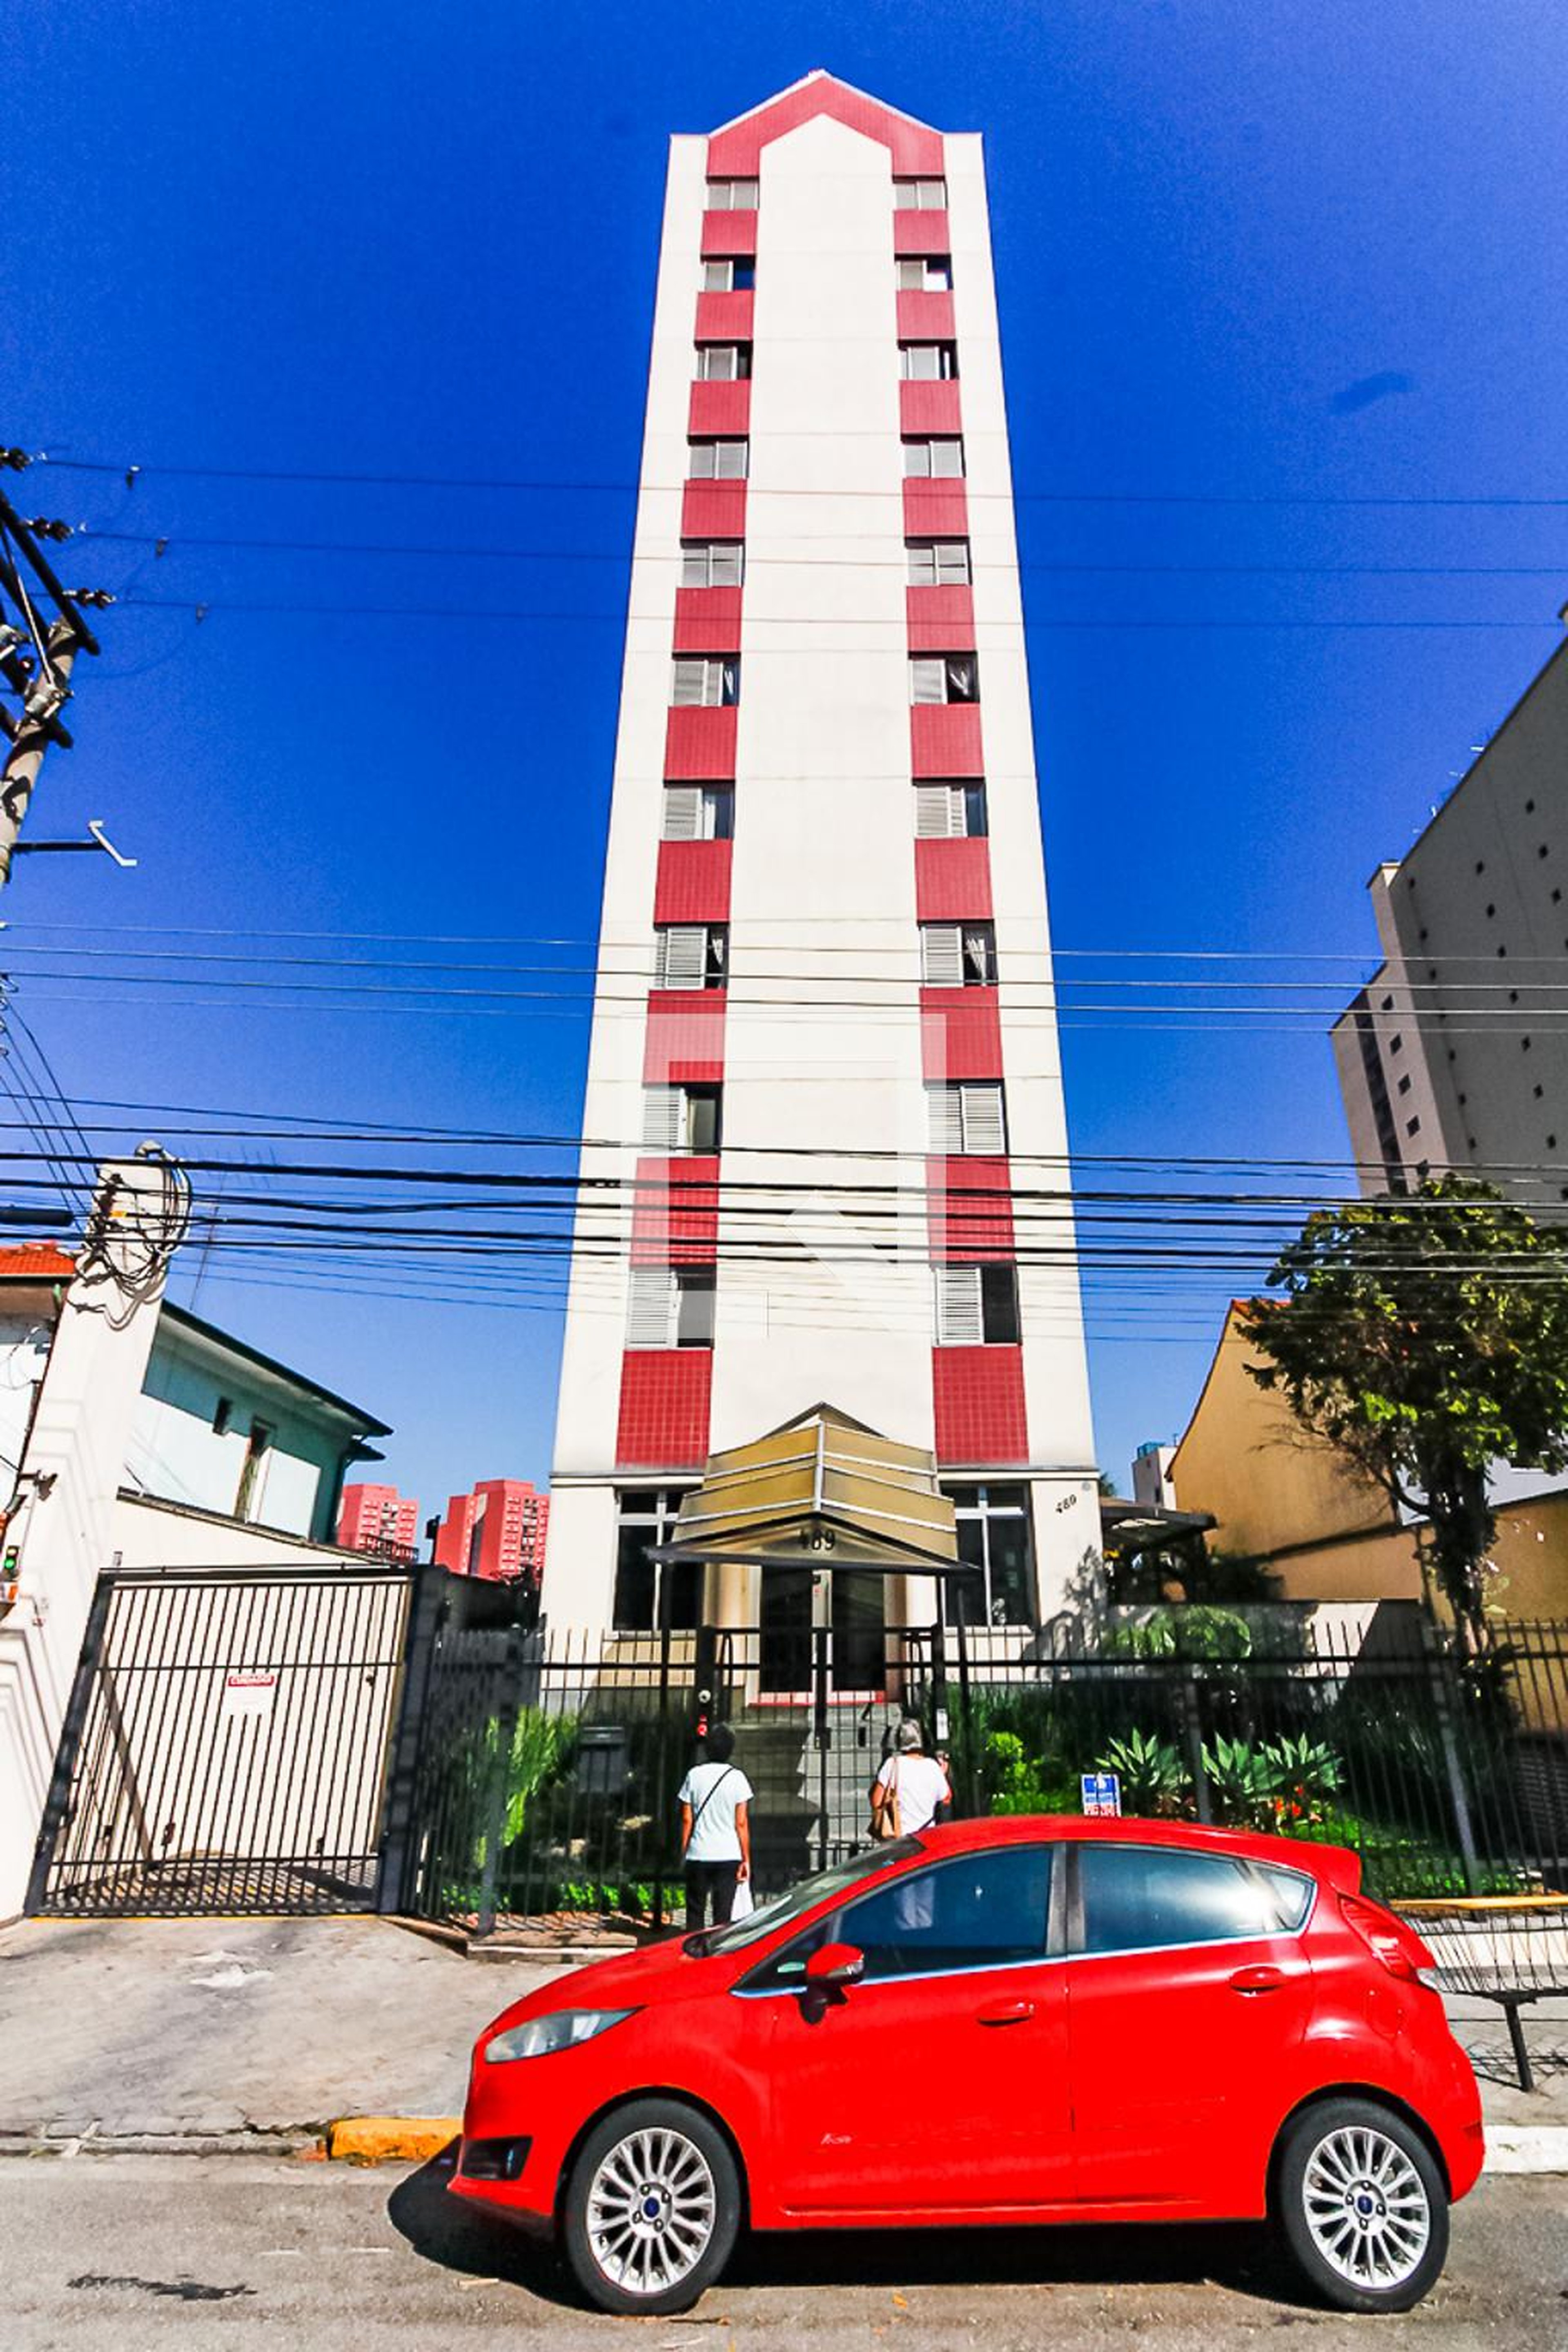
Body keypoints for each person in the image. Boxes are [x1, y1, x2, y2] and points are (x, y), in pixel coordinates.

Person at [678, 1722, 753, 1931]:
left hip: (699, 1852)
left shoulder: (694, 1775)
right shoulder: (738, 1778)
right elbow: (741, 1823)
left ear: (707, 1748)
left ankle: (693, 1953)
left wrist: (684, 1850)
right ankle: (717, 1954)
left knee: (695, 1911)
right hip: (728, 1854)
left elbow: (687, 1819)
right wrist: (746, 1859)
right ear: (730, 1750)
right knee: (723, 1914)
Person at [870, 1718, 950, 1838]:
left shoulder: (893, 1765)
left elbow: (876, 1802)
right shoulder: (933, 1767)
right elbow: (946, 1799)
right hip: (926, 1836)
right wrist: (942, 1775)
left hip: (899, 1837)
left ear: (899, 1741)